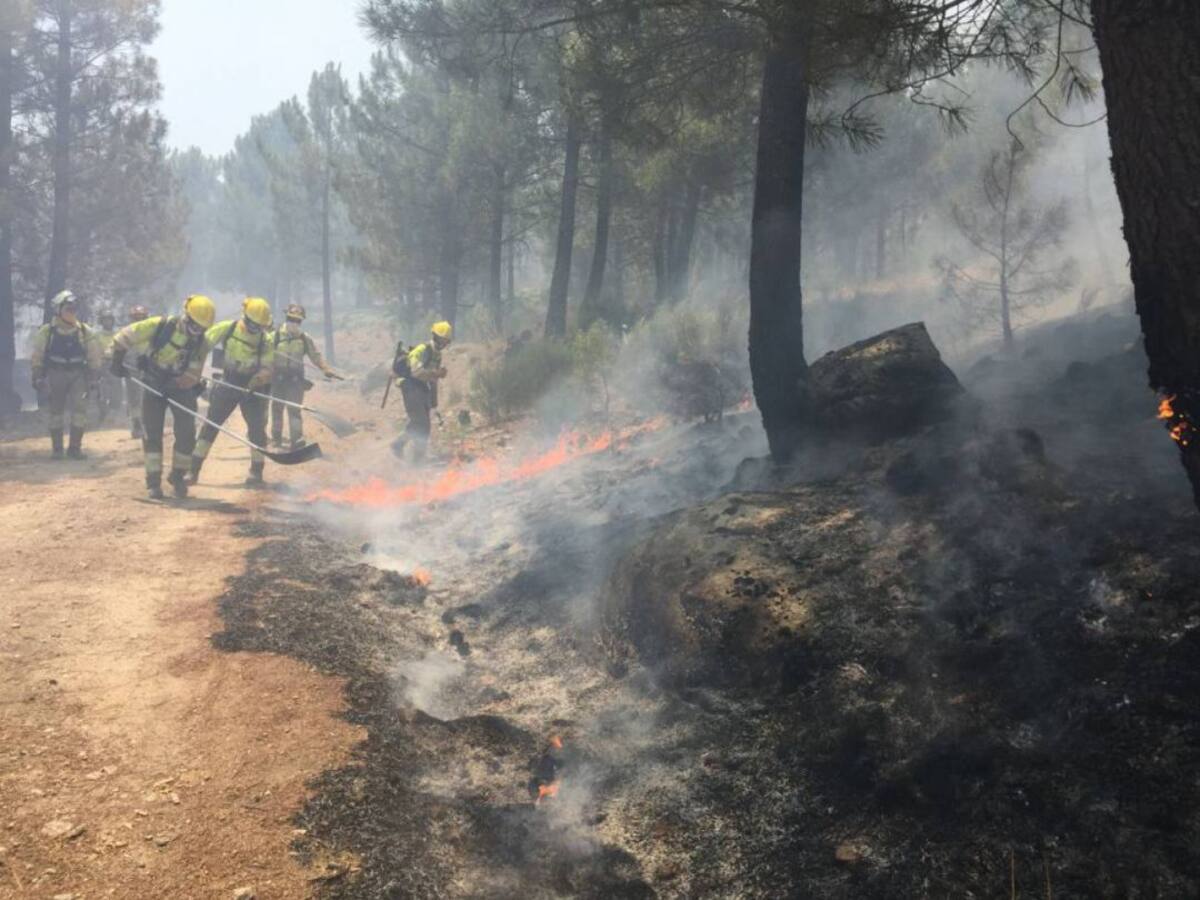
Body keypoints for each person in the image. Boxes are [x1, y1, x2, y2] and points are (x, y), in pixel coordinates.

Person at [110, 295, 216, 500]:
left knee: (186, 434)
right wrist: (117, 360)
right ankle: (153, 483)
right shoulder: (160, 325)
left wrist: (191, 382)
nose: (197, 332)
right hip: (152, 383)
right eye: (194, 326)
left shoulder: (202, 341)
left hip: (179, 387)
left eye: (202, 328)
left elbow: (195, 369)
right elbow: (123, 336)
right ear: (186, 316)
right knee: (152, 435)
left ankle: (177, 477)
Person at [190, 297, 274, 487]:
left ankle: (256, 472)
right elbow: (202, 346)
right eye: (253, 325)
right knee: (210, 426)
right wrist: (194, 369)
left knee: (257, 431)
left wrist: (259, 379)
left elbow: (268, 367)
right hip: (228, 383)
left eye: (260, 326)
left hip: (252, 389)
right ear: (245, 317)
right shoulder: (227, 328)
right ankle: (193, 470)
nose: (255, 329)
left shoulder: (265, 339)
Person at [30, 291, 102, 460]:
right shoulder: (47, 332)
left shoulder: (84, 331)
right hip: (55, 374)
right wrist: (37, 376)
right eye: (68, 309)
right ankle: (57, 450)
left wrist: (94, 378)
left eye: (74, 309)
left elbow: (94, 356)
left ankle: (75, 448)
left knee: (80, 411)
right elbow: (38, 355)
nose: (72, 312)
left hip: (79, 375)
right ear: (59, 310)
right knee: (56, 412)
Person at [270, 304, 337, 449]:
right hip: (278, 379)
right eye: (291, 319)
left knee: (294, 409)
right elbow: (264, 354)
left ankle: (297, 439)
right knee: (277, 408)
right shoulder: (274, 336)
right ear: (286, 318)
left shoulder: (304, 338)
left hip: (295, 380)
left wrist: (325, 369)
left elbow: (315, 356)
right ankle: (276, 438)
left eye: (297, 321)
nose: (293, 323)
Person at [392, 321, 452, 463]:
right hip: (411, 387)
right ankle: (405, 450)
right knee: (421, 423)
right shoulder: (423, 349)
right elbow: (416, 372)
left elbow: (432, 380)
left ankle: (412, 454)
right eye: (442, 339)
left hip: (421, 389)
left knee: (422, 424)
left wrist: (434, 402)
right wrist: (436, 373)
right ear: (435, 337)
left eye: (446, 341)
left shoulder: (437, 355)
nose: (444, 343)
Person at [124, 305, 150, 438]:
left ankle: (149, 424)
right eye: (136, 318)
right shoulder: (126, 333)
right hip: (132, 370)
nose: (139, 321)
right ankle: (136, 425)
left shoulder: (152, 332)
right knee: (134, 399)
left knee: (149, 397)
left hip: (149, 370)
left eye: (142, 318)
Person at [92, 310, 120, 424]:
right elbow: (93, 349)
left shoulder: (118, 335)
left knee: (117, 390)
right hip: (101, 365)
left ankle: (114, 413)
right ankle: (102, 413)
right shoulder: (97, 335)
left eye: (109, 319)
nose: (107, 322)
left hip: (115, 365)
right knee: (101, 391)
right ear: (101, 321)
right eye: (105, 320)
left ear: (112, 321)